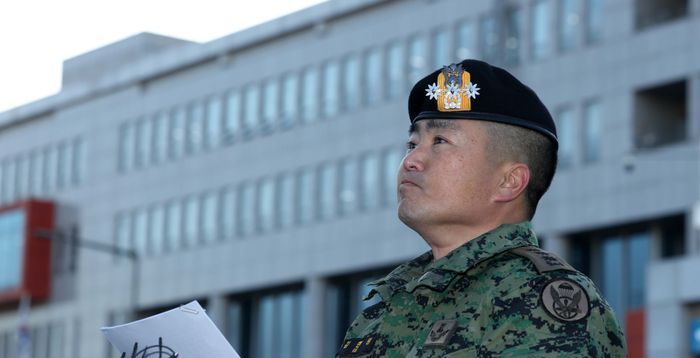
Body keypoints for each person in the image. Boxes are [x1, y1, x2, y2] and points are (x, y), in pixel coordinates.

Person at [336, 59, 627, 357]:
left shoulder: (535, 297)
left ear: (509, 182)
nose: (411, 160)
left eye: (440, 141)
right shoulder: (388, 305)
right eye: (412, 144)